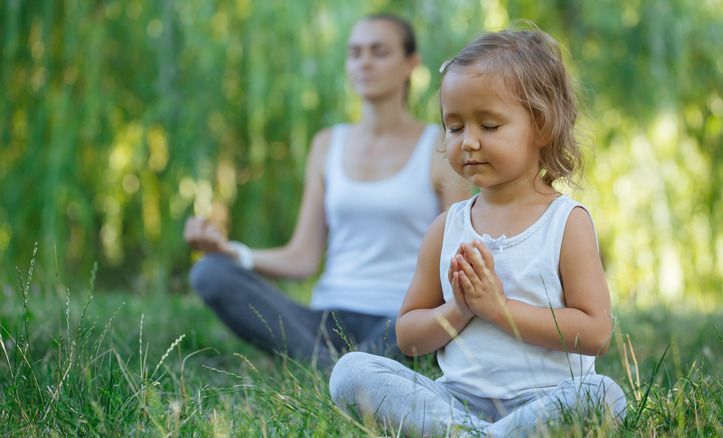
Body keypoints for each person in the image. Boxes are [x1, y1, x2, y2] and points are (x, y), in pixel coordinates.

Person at [329, 22, 627, 436]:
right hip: (454, 400)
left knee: (603, 395)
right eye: (455, 127)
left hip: (544, 400)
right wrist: (460, 309)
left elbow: (596, 334)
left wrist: (498, 309)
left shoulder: (566, 223)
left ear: (540, 126)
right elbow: (409, 336)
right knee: (350, 371)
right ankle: (474, 432)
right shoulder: (445, 228)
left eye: (489, 126)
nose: (468, 141)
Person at [184, 14, 470, 369]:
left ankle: (329, 369)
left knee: (419, 326)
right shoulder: (326, 145)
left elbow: (455, 255)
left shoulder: (442, 145)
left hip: (398, 320)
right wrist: (232, 253)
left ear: (411, 64)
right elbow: (303, 257)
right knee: (209, 272)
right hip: (322, 320)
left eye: (378, 52)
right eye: (354, 53)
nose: (364, 61)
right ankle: (341, 369)